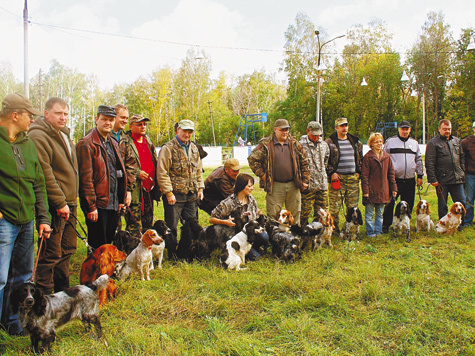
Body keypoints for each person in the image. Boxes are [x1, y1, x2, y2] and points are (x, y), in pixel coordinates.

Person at [0, 93, 51, 335]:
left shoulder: (27, 143)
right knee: (0, 278)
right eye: (29, 115)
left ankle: (12, 323)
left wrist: (43, 218)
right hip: (4, 222)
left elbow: (38, 183)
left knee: (20, 278)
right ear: (14, 115)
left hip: (27, 221)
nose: (32, 119)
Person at [28, 97, 78, 294]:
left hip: (69, 203)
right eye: (58, 113)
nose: (63, 117)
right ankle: (43, 298)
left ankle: (62, 295)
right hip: (54, 205)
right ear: (46, 114)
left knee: (68, 250)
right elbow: (44, 173)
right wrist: (59, 201)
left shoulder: (63, 134)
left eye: (66, 114)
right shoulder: (39, 136)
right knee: (50, 254)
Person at [76, 105, 126, 249]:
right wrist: (91, 206)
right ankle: (96, 271)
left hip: (113, 202)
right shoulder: (86, 144)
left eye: (111, 120)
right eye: (104, 119)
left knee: (108, 242)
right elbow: (85, 179)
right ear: (96, 119)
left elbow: (118, 173)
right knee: (97, 244)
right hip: (98, 204)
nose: (108, 123)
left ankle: (106, 271)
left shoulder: (113, 143)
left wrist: (120, 200)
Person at [248, 119, 309, 225]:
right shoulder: (266, 144)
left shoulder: (294, 144)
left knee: (295, 215)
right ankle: (275, 238)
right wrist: (262, 175)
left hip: (293, 185)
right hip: (275, 185)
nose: (285, 132)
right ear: (275, 129)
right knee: (273, 215)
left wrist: (305, 180)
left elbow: (304, 161)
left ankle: (295, 238)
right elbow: (252, 159)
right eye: (282, 130)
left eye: (287, 130)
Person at [157, 119, 204, 250]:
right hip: (175, 195)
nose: (187, 134)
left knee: (192, 224)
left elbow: (199, 169)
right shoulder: (168, 148)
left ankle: (189, 249)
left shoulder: (194, 148)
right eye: (184, 131)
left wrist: (200, 188)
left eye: (190, 132)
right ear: (178, 130)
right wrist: (168, 192)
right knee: (171, 226)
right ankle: (172, 251)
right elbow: (162, 171)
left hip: (191, 194)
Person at [209, 173, 268, 259]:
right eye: (249, 186)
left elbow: (254, 216)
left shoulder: (251, 199)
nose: (252, 188)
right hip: (236, 238)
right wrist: (225, 222)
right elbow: (212, 219)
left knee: (264, 237)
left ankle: (254, 247)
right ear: (241, 186)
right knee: (256, 257)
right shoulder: (229, 203)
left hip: (249, 234)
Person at [119, 114, 159, 238]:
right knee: (134, 225)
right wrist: (137, 173)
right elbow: (120, 166)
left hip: (149, 190)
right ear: (130, 127)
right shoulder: (125, 142)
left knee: (148, 222)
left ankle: (146, 253)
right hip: (134, 190)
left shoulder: (148, 140)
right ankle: (132, 251)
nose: (143, 127)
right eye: (139, 124)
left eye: (144, 124)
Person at [381, 120, 424, 233]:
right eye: (403, 129)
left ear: (410, 130)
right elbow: (384, 159)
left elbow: (418, 160)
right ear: (399, 129)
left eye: (407, 129)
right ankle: (386, 225)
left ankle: (406, 226)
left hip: (409, 179)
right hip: (394, 179)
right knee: (390, 203)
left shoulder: (414, 143)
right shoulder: (390, 142)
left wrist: (420, 175)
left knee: (408, 204)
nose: (405, 131)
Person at [326, 117, 363, 235]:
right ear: (336, 127)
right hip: (337, 179)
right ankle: (334, 230)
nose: (344, 128)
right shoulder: (329, 142)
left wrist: (358, 172)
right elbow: (325, 161)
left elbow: (360, 159)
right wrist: (332, 173)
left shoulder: (356, 142)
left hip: (352, 179)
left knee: (352, 207)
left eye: (346, 125)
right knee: (334, 208)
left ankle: (351, 230)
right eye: (341, 126)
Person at [425, 119, 466, 220]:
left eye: (449, 129)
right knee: (443, 205)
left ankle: (460, 224)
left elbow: (462, 157)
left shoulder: (456, 141)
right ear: (439, 129)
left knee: (462, 202)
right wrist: (432, 179)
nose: (447, 131)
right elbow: (429, 162)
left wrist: (462, 171)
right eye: (444, 129)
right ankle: (442, 224)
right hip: (441, 180)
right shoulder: (433, 143)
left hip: (457, 179)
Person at [361, 133, 397, 237]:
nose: (379, 143)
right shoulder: (367, 157)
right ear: (371, 144)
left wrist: (393, 188)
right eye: (376, 142)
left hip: (383, 190)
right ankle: (370, 232)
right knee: (369, 214)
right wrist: (366, 191)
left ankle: (378, 231)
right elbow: (364, 176)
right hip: (371, 190)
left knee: (380, 213)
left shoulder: (386, 156)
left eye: (381, 141)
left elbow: (391, 173)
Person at [299, 121, 330, 226]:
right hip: (308, 186)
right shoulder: (300, 145)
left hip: (322, 185)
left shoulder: (324, 145)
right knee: (304, 213)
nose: (316, 137)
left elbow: (326, 160)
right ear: (308, 131)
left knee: (322, 212)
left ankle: (317, 233)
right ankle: (303, 234)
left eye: (318, 134)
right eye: (314, 134)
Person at [462, 122, 475, 226]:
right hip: (470, 175)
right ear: (474, 129)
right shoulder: (466, 142)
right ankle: (467, 220)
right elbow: (461, 158)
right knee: (469, 199)